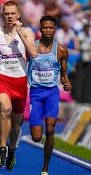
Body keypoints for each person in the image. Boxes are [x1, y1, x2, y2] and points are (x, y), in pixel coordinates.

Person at [0, 0, 37, 170]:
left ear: (18, 15)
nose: (10, 16)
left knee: (15, 125)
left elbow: (34, 54)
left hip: (20, 82)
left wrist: (20, 33)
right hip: (3, 79)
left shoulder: (26, 31)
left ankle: (12, 150)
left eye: (13, 13)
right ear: (2, 16)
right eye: (7, 14)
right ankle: (3, 150)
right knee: (5, 108)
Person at [28, 15, 72, 175]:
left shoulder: (61, 50)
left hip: (52, 93)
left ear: (55, 29)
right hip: (36, 94)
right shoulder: (32, 48)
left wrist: (66, 82)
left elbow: (64, 75)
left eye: (50, 28)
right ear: (40, 29)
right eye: (45, 27)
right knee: (36, 137)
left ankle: (45, 169)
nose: (47, 30)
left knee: (51, 129)